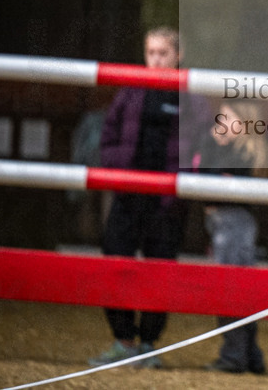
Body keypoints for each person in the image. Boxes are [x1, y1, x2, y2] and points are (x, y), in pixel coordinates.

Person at [88, 27, 212, 369]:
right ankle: (123, 340)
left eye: (163, 53)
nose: (156, 59)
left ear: (178, 55)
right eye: (150, 52)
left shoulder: (192, 97)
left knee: (160, 270)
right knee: (115, 260)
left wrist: (188, 182)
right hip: (128, 195)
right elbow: (109, 134)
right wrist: (116, 172)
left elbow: (203, 145)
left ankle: (147, 344)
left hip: (168, 201)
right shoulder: (130, 90)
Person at [198, 101, 268, 375]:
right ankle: (251, 356)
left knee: (231, 290)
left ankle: (234, 356)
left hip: (232, 224)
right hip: (223, 223)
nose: (221, 123)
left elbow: (210, 177)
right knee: (238, 290)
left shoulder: (242, 154)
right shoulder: (233, 151)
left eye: (228, 118)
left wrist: (216, 146)